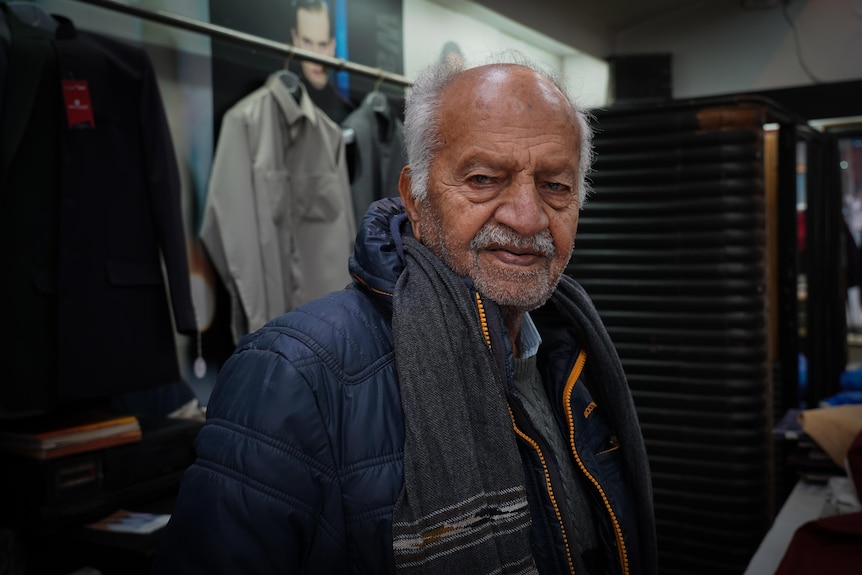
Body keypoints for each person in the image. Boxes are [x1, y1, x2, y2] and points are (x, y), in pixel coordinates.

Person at [150, 52, 657, 575]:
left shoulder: (569, 353)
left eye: (555, 185)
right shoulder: (292, 376)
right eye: (484, 178)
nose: (527, 218)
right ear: (414, 199)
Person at [290, 0, 354, 123]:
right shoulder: (281, 105)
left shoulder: (347, 115)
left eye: (322, 45)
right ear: (295, 39)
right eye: (308, 43)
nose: (316, 56)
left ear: (332, 46)